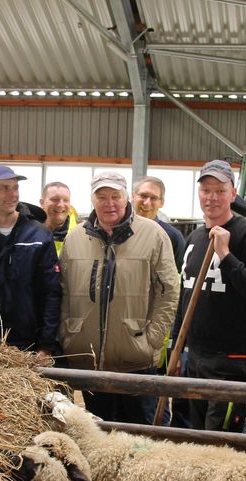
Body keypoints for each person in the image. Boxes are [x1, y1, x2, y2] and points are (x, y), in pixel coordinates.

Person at [59, 171, 179, 423]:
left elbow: (168, 292)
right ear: (93, 200)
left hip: (136, 359)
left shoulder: (153, 235)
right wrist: (69, 335)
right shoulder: (75, 238)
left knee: (142, 436)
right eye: (102, 197)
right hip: (90, 360)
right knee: (102, 436)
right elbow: (64, 292)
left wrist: (151, 339)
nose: (109, 203)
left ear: (126, 199)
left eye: (115, 196)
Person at [175, 160, 246, 433]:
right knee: (197, 434)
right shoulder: (194, 238)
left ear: (233, 193)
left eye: (220, 190)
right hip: (196, 355)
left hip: (232, 359)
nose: (212, 197)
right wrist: (177, 349)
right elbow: (185, 295)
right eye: (206, 190)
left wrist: (226, 256)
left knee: (221, 440)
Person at [0, 165, 61, 357]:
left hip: (29, 346)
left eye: (15, 188)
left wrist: (46, 345)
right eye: (4, 188)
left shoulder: (39, 235)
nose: (12, 194)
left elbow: (52, 292)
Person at [132, 175, 186, 271]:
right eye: (143, 196)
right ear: (133, 197)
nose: (147, 203)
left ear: (162, 203)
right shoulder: (119, 231)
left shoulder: (172, 236)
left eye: (153, 198)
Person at [40, 181, 76, 255]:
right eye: (55, 199)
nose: (60, 205)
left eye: (66, 200)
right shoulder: (28, 233)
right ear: (42, 203)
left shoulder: (81, 235)